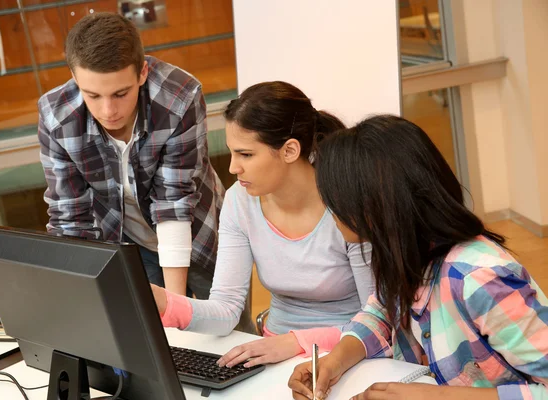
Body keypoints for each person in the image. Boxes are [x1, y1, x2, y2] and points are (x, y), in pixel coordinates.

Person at [288, 115, 548, 400]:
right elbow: (382, 313)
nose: (329, 211)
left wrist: (436, 397)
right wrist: (334, 361)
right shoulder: (404, 251)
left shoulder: (478, 279)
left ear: (373, 204)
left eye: (334, 200)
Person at [151, 81, 374, 368]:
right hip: (273, 350)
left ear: (290, 150)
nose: (233, 168)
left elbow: (378, 322)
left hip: (350, 354)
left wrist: (295, 342)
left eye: (246, 154)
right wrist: (164, 303)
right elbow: (226, 309)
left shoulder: (349, 205)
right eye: (232, 152)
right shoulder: (238, 201)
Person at [37, 12, 224, 298]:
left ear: (142, 73)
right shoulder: (56, 117)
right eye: (93, 96)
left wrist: (177, 305)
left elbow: (173, 200)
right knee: (157, 334)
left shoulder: (179, 97)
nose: (108, 111)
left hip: (201, 234)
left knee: (231, 331)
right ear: (74, 78)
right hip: (130, 241)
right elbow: (70, 219)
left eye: (121, 93)